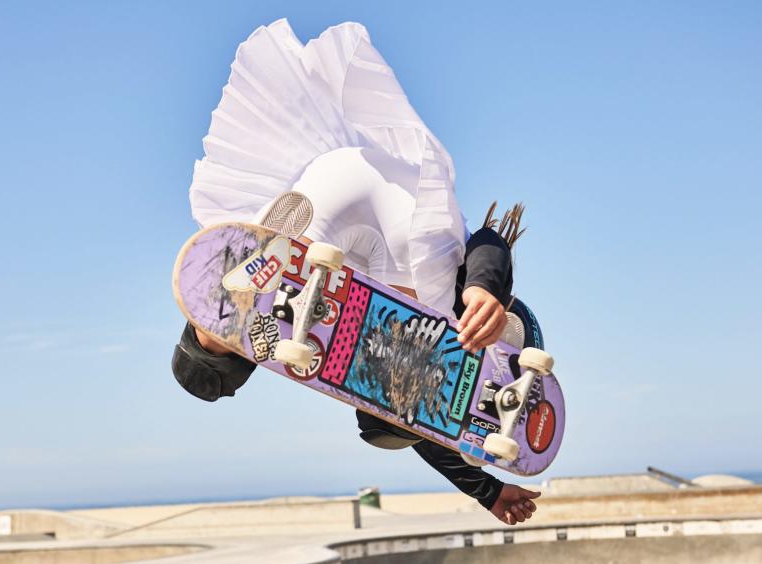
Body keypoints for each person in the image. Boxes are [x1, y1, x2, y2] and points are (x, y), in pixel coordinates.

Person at [173, 20, 541, 525]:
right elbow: (488, 244)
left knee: (386, 418)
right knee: (386, 420)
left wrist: (483, 288)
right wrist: (485, 290)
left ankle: (226, 313)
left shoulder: (442, 336)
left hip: (343, 199)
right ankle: (224, 321)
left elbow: (419, 422)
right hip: (363, 211)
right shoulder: (456, 330)